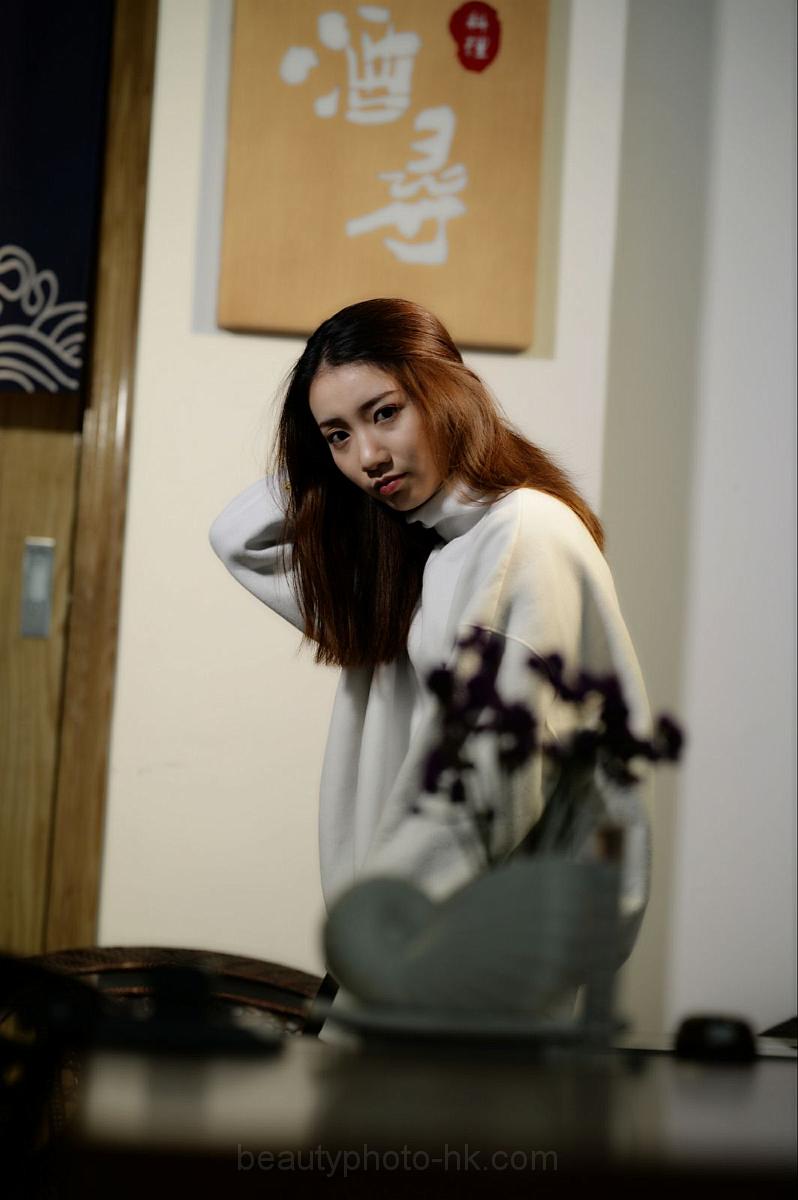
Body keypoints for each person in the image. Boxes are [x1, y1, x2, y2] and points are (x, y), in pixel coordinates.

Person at [210, 298, 651, 987]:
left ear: (447, 392)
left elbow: (486, 787)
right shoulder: (419, 555)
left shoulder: (522, 536)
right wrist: (316, 461)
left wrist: (381, 941)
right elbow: (239, 540)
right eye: (337, 436)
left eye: (386, 412)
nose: (368, 457)